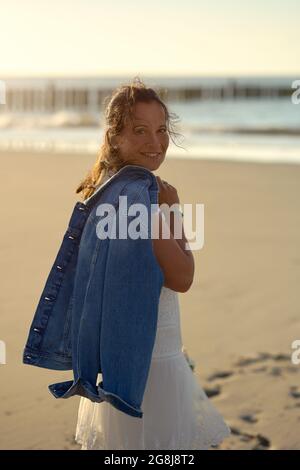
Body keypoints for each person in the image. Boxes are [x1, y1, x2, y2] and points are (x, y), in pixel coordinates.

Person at [74, 77, 231, 450]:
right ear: (115, 137)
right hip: (149, 359)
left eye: (161, 130)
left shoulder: (111, 187)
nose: (155, 142)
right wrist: (171, 208)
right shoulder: (138, 197)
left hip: (127, 353)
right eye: (139, 130)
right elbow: (182, 277)